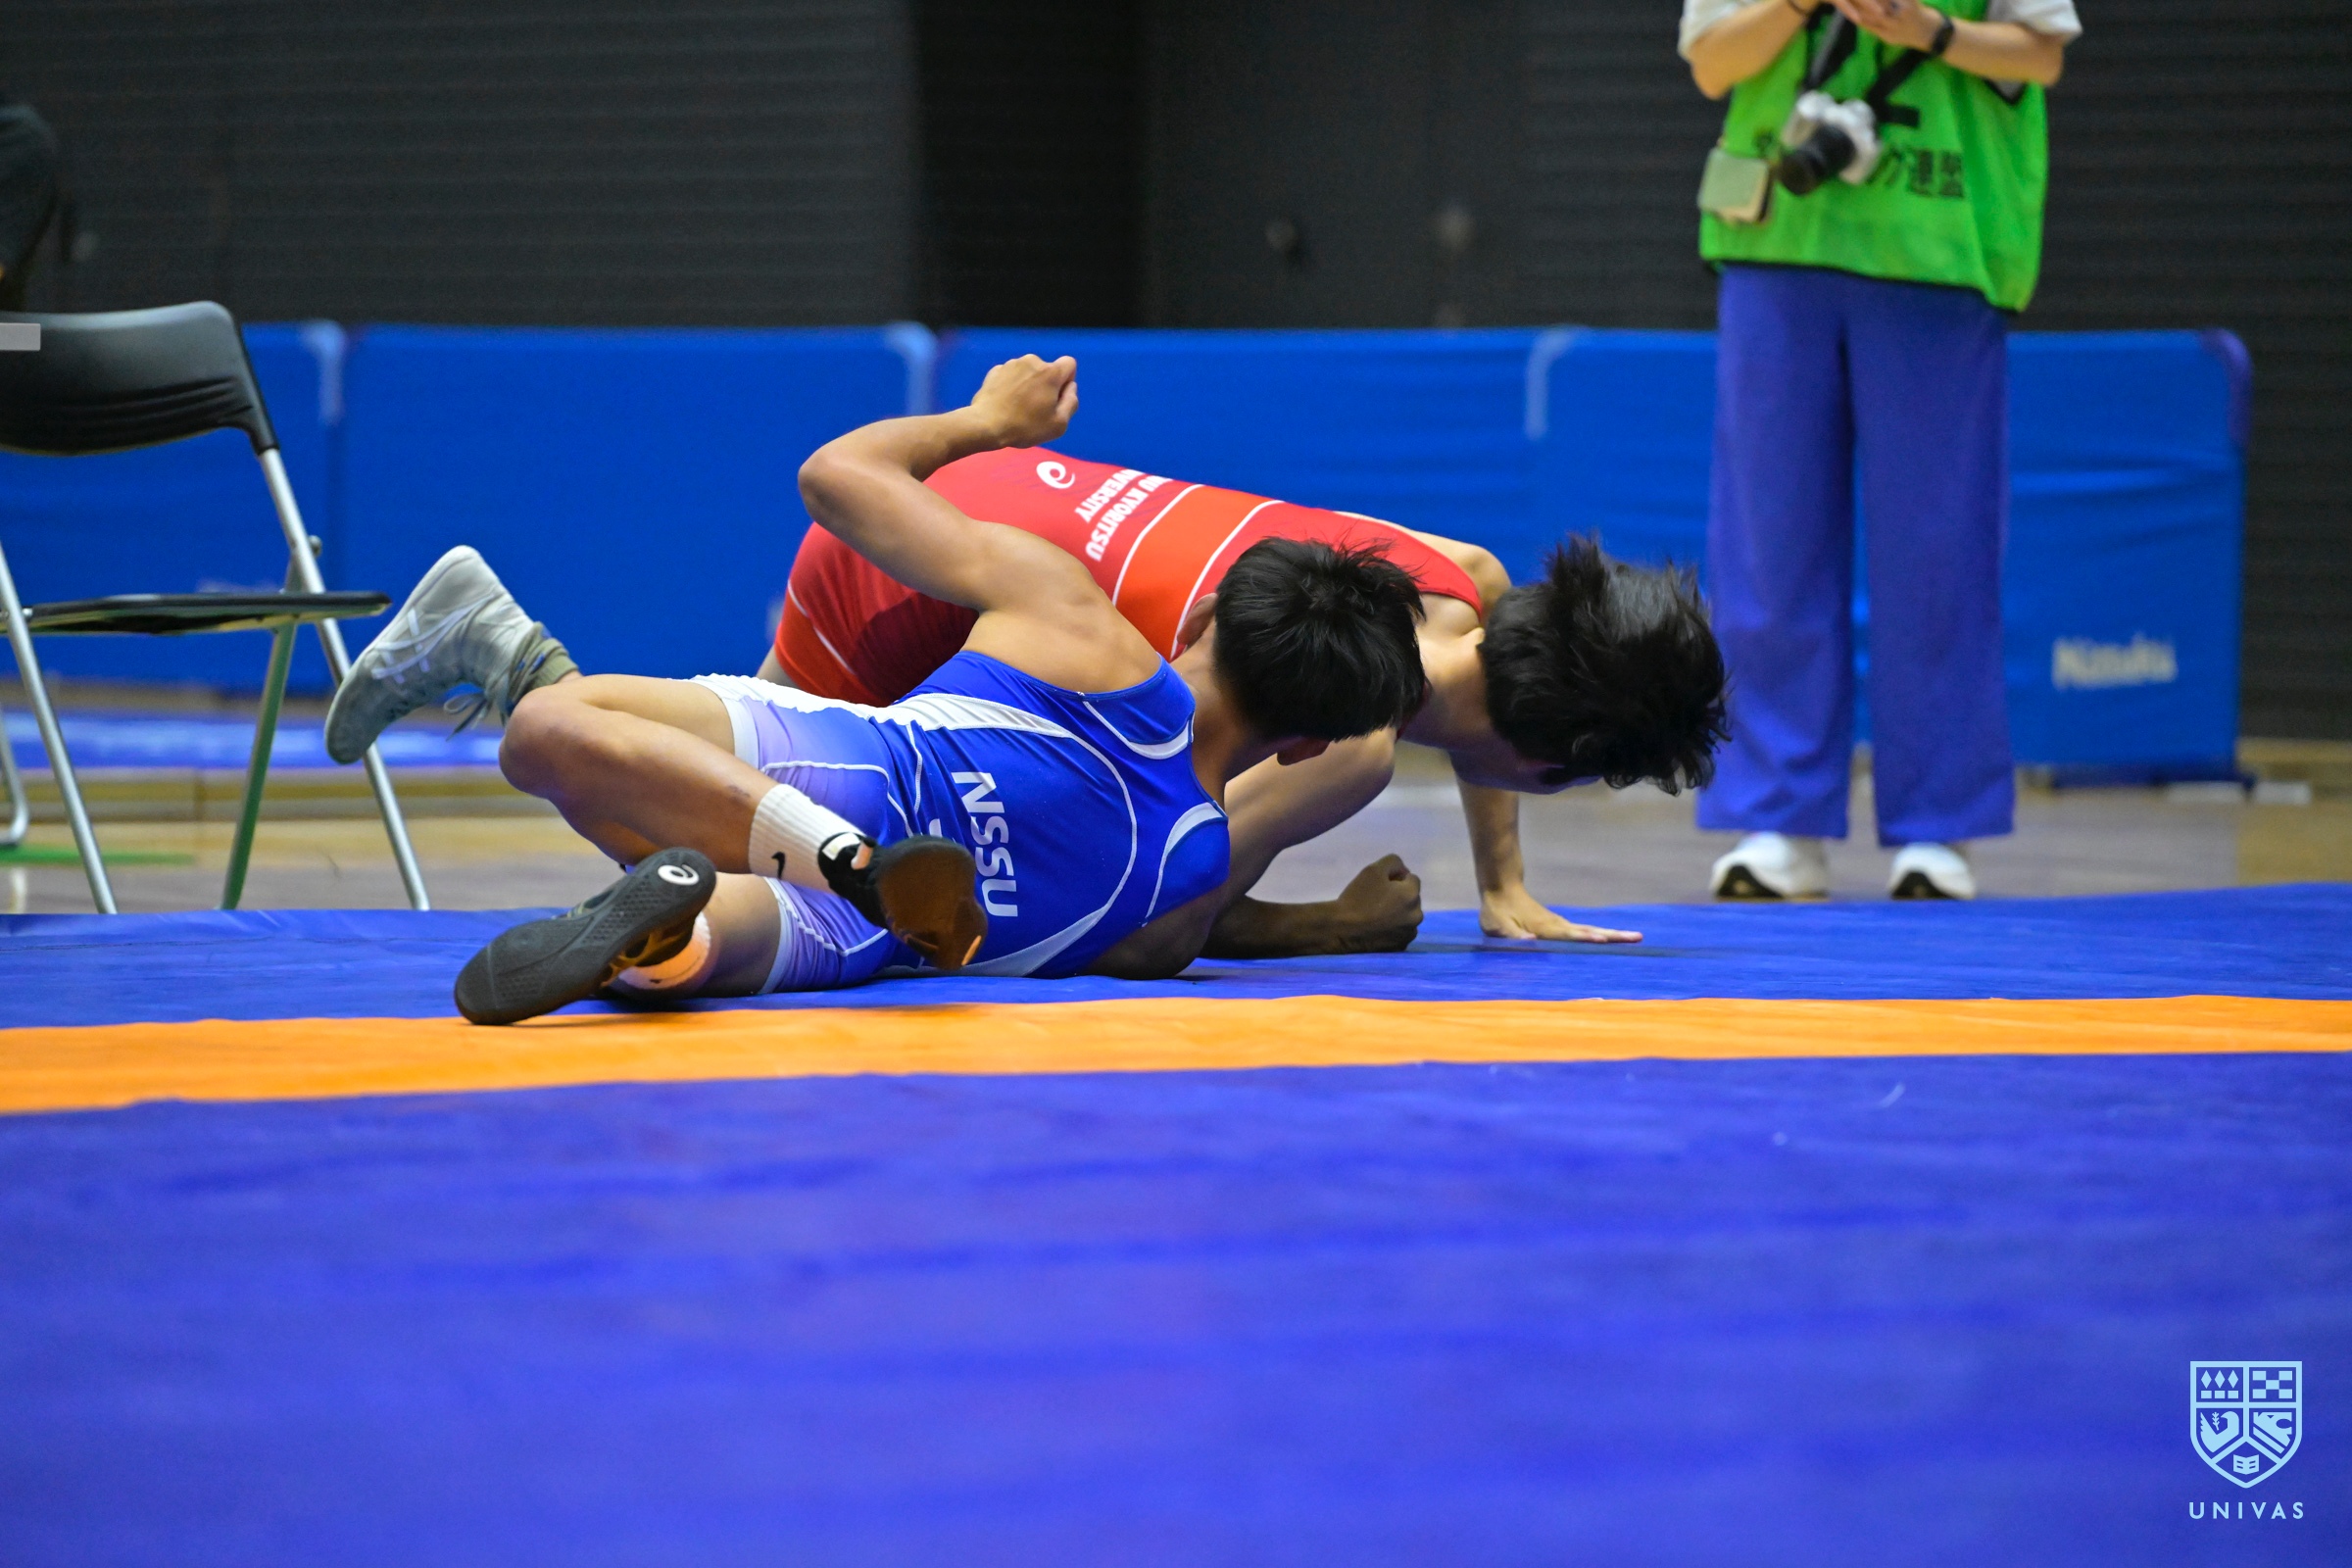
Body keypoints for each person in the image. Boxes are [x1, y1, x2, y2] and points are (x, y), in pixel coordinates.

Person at [326, 355, 1430, 1023]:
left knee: (545, 730)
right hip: (885, 942)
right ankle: (680, 942)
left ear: (1201, 614)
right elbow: (1144, 957)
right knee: (711, 942)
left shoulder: (1073, 615)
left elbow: (835, 477)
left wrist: (987, 425)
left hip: (839, 764)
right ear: (1302, 745)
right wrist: (1332, 925)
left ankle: (821, 859)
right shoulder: (1188, 885)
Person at [762, 445, 1728, 955]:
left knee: (726, 731)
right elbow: (1156, 915)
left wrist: (1501, 881)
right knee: (784, 836)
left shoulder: (1464, 574)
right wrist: (1333, 924)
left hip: (957, 495)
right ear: (1551, 767)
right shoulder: (1345, 742)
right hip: (896, 588)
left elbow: (1501, 710)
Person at [1683, 0, 2079, 900]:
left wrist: (1930, 32)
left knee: (1938, 554)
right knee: (1769, 551)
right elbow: (1711, 62)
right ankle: (1777, 820)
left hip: (1937, 252)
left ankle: (1938, 827)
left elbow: (2042, 55)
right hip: (1775, 242)